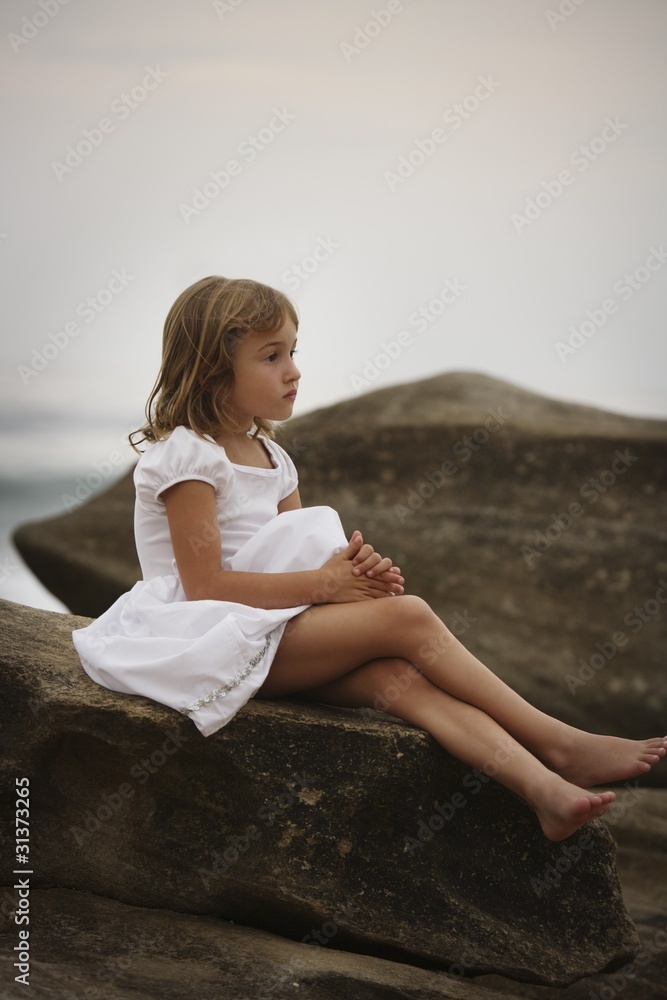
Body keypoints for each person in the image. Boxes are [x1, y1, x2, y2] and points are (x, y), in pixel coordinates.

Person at [72, 275, 666, 843]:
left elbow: (292, 552)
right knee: (409, 618)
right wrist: (328, 585)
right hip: (201, 638)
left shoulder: (273, 458)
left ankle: (547, 793)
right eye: (271, 356)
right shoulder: (189, 458)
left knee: (401, 680)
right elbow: (203, 586)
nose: (293, 370)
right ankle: (560, 742)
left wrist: (355, 577)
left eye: (293, 352)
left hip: (267, 632)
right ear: (210, 371)